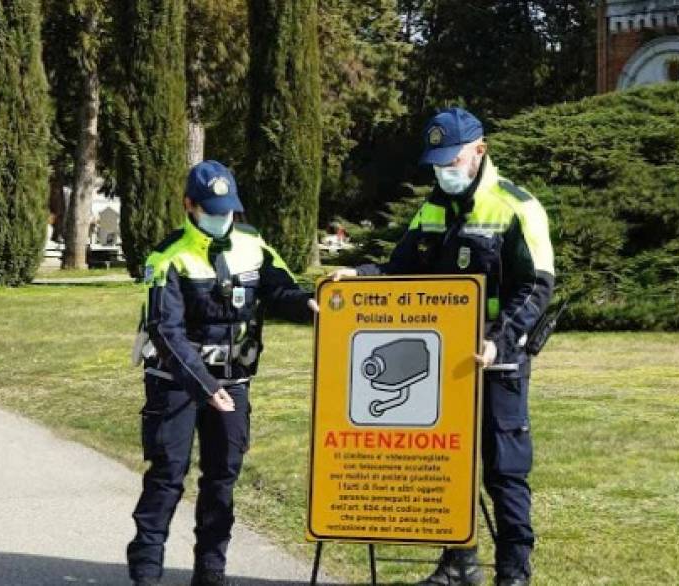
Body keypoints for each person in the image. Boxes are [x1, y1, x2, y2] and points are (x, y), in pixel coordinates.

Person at [331, 107, 555, 586]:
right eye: (437, 163)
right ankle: (458, 564)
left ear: (480, 150)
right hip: (441, 360)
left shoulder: (517, 206)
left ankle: (515, 572)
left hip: (498, 358)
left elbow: (536, 285)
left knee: (504, 468)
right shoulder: (432, 208)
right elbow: (400, 270)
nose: (444, 172)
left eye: (451, 161)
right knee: (447, 461)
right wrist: (360, 277)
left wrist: (498, 341)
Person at [127, 160, 318, 586]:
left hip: (234, 382)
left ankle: (211, 572)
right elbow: (165, 331)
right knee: (166, 477)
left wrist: (309, 306)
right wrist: (205, 387)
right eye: (213, 209)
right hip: (176, 384)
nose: (222, 218)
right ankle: (146, 574)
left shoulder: (252, 244)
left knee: (222, 480)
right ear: (190, 206)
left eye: (228, 209)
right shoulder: (168, 257)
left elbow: (280, 289)